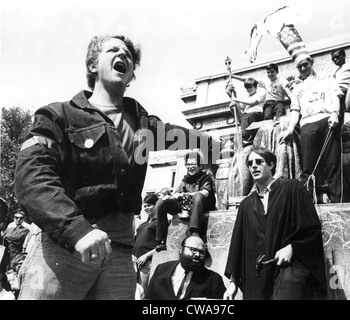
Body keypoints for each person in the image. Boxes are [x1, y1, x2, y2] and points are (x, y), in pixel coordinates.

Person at [14, 34, 217, 300]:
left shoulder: (145, 126)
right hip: (63, 250)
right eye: (113, 50)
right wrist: (75, 230)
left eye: (129, 55)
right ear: (92, 65)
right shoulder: (58, 116)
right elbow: (31, 177)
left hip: (120, 257)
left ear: (131, 76)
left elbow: (193, 140)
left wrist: (216, 145)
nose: (122, 55)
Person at [224, 147, 327, 300]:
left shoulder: (292, 188)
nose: (254, 166)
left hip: (288, 269)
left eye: (259, 162)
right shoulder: (246, 205)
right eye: (250, 163)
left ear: (271, 165)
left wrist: (293, 248)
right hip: (256, 276)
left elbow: (312, 229)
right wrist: (233, 283)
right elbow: (237, 245)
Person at [279, 57, 343, 204]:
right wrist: (290, 128)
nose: (302, 69)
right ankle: (308, 203)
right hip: (307, 123)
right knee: (309, 167)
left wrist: (334, 113)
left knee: (333, 163)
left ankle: (337, 201)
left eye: (305, 65)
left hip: (327, 118)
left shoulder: (327, 78)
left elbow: (336, 97)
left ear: (311, 62)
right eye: (299, 67)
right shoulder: (296, 88)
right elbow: (295, 110)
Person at [154, 151, 217, 251]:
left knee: (198, 196)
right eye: (188, 164)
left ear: (200, 166)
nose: (190, 167)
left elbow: (205, 193)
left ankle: (194, 233)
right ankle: (161, 241)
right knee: (161, 203)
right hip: (187, 206)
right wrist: (170, 197)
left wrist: (185, 195)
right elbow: (176, 194)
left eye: (193, 164)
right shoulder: (185, 180)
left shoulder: (205, 178)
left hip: (203, 205)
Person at [145, 235, 226, 300]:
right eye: (193, 250)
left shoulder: (214, 280)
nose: (197, 255)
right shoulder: (161, 269)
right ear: (181, 250)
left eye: (201, 252)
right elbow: (148, 298)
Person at [226, 76, 266, 145]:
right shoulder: (245, 97)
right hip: (246, 115)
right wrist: (231, 95)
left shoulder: (261, 93)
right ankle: (245, 139)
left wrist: (236, 99)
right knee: (244, 117)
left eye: (250, 87)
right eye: (247, 88)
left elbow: (253, 102)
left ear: (255, 87)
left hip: (256, 114)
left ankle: (251, 137)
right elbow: (241, 107)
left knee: (250, 116)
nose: (248, 89)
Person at [133, 193, 159, 295]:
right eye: (145, 206)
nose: (147, 208)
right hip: (135, 261)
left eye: (149, 205)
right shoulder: (143, 224)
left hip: (146, 263)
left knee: (142, 293)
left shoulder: (159, 223)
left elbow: (161, 245)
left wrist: (145, 256)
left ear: (156, 205)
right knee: (133, 292)